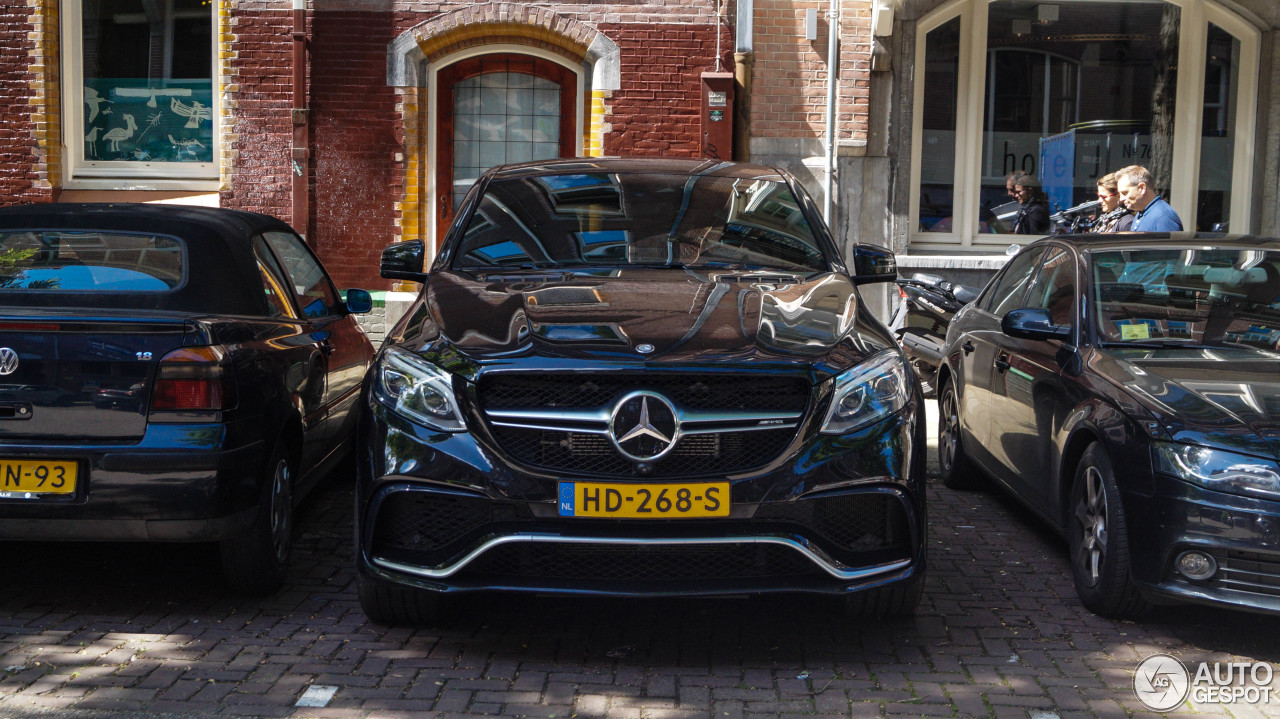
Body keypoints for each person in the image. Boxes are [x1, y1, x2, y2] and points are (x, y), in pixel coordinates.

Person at [1116, 164, 1183, 231]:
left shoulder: (1164, 217)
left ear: (1142, 188)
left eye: (1125, 193)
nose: (1121, 199)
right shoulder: (1141, 213)